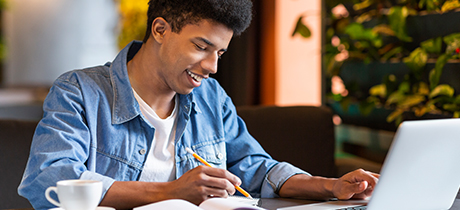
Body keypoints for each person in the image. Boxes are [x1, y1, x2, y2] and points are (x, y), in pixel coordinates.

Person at [18, 0, 379, 209]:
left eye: (220, 52)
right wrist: (171, 192)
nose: (212, 67)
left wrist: (331, 187)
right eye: (201, 47)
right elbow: (49, 178)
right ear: (160, 30)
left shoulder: (211, 97)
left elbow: (254, 167)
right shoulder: (79, 91)